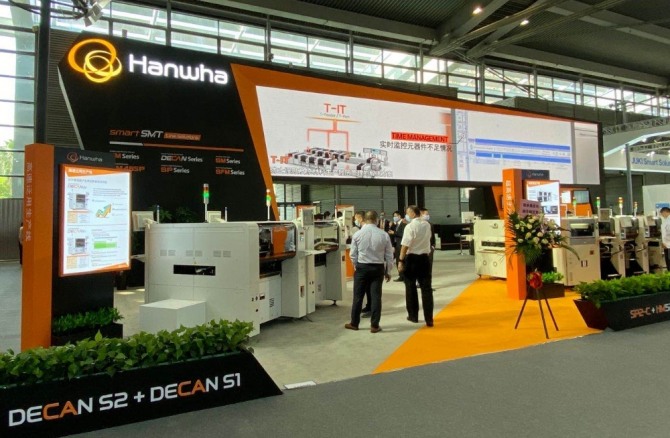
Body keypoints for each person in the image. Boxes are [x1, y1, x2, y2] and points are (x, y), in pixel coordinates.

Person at [345, 210, 393, 333]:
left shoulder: (358, 234)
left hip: (362, 267)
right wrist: (388, 271)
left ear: (365, 220)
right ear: (376, 220)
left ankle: (354, 323)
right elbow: (389, 255)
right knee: (376, 297)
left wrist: (357, 266)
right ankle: (375, 325)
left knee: (358, 296)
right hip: (378, 268)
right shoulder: (384, 235)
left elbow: (353, 254)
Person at [399, 205, 434, 327]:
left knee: (410, 287)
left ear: (413, 213)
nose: (406, 215)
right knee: (426, 289)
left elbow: (405, 245)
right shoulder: (427, 225)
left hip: (412, 259)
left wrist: (400, 260)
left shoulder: (410, 227)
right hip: (424, 259)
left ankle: (413, 316)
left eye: (407, 213)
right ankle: (429, 319)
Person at [388, 211, 407, 282]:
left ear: (399, 216)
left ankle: (405, 276)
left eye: (395, 216)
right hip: (396, 245)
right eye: (393, 216)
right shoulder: (396, 224)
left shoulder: (403, 224)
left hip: (402, 245)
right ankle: (401, 276)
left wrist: (394, 233)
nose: (394, 218)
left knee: (403, 261)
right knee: (398, 261)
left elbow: (403, 234)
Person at [420, 207, 436, 290]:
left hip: (429, 249)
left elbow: (433, 237)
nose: (428, 216)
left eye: (428, 214)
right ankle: (420, 283)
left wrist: (433, 246)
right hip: (419, 249)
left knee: (428, 267)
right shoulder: (417, 225)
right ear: (421, 214)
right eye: (426, 214)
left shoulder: (430, 224)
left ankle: (428, 285)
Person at [661, 207, 670, 271]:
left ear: (664, 212)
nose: (662, 216)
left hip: (668, 245)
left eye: (662, 214)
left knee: (669, 263)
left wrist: (664, 243)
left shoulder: (667, 221)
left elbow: (665, 233)